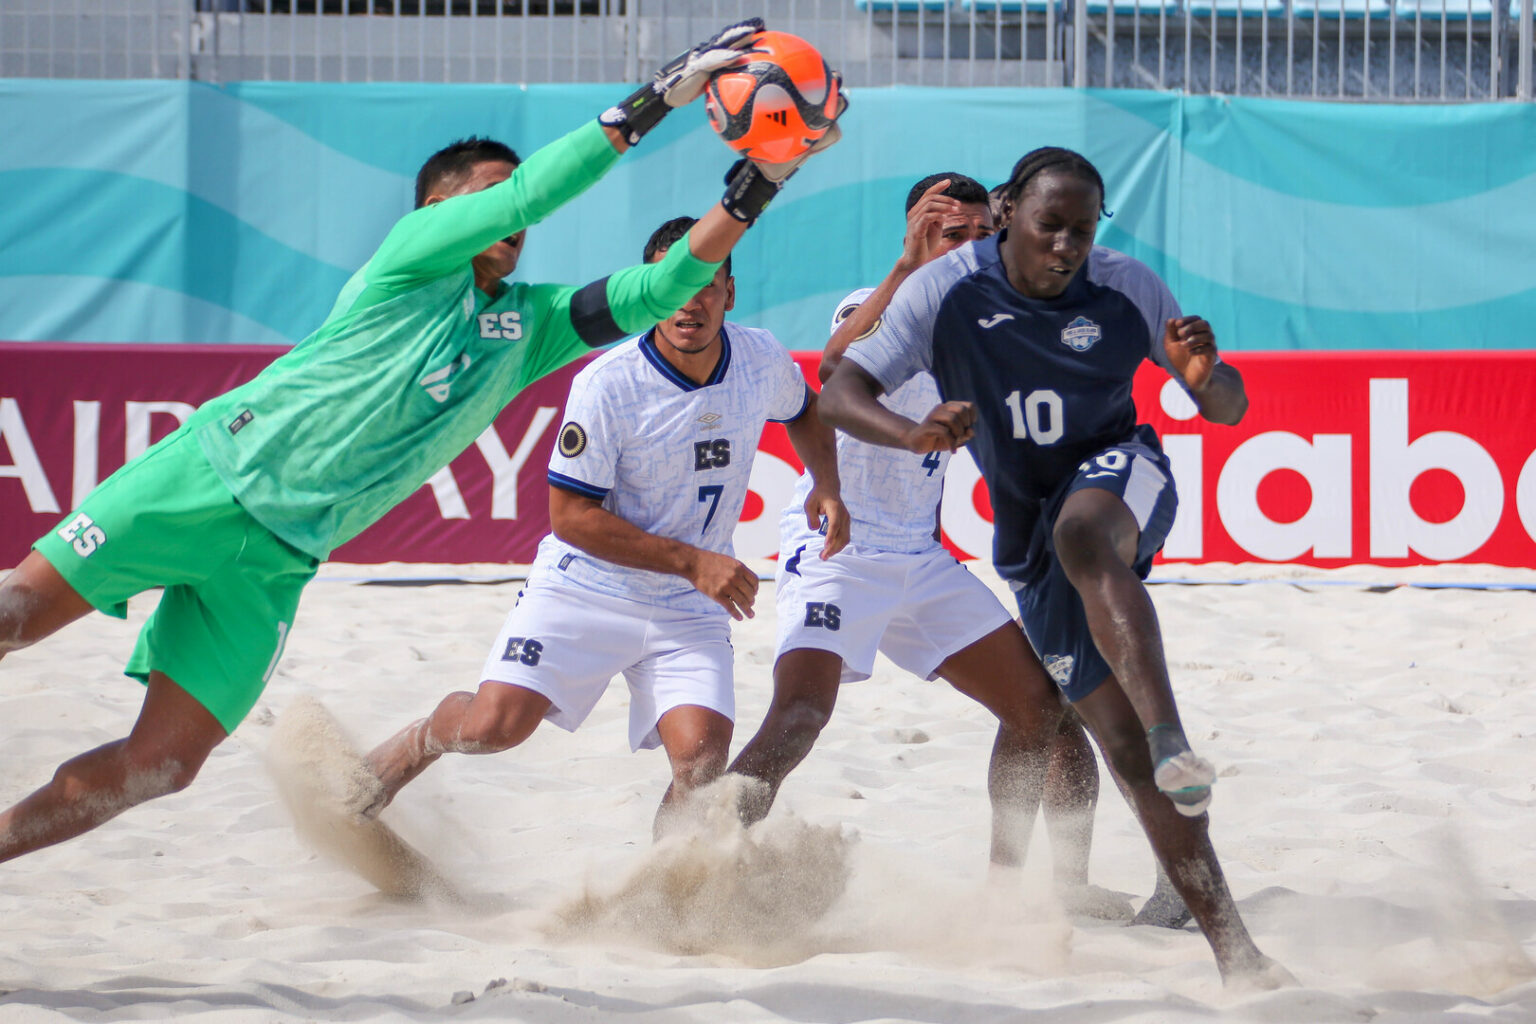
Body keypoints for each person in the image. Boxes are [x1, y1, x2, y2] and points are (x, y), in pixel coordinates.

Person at [0, 20, 844, 866]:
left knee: (164, 766)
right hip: (208, 478)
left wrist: (759, 183)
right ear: (444, 211)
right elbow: (529, 196)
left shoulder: (529, 325)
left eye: (512, 204)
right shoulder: (407, 259)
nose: (514, 214)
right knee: (17, 615)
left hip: (278, 562)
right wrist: (657, 98)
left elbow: (665, 284)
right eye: (491, 196)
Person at [818, 147, 1290, 986]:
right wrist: (913, 430)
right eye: (1051, 226)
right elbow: (837, 393)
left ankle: (1171, 729)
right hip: (1025, 537)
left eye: (1082, 227)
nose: (1068, 245)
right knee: (1118, 752)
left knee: (1085, 543)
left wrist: (1207, 376)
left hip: (1121, 481)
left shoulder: (1126, 287)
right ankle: (1240, 957)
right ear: (1009, 217)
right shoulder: (943, 290)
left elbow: (1227, 410)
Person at [726, 171, 1183, 923]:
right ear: (914, 237)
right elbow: (833, 372)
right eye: (948, 234)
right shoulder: (887, 301)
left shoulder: (987, 306)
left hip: (919, 553)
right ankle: (695, 859)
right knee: (800, 717)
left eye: (978, 234)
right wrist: (906, 266)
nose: (966, 249)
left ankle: (1031, 887)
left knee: (1047, 708)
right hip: (840, 545)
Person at [355, 216, 849, 840]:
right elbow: (570, 519)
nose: (690, 300)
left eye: (707, 283)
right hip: (586, 587)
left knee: (701, 763)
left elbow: (804, 410)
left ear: (730, 291)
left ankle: (665, 892)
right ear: (650, 289)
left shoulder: (759, 357)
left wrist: (826, 483)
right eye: (676, 283)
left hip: (684, 605)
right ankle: (415, 744)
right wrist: (696, 562)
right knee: (493, 729)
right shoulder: (607, 384)